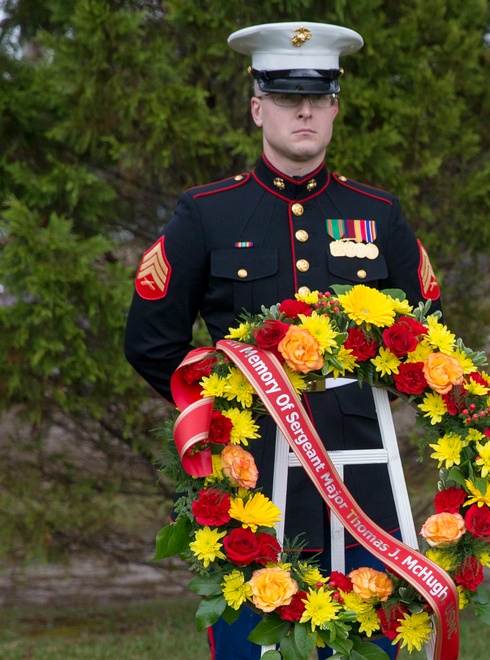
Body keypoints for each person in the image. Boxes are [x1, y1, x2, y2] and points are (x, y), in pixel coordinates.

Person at [124, 21, 441, 660]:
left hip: (362, 482)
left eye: (319, 97)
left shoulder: (379, 215)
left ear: (334, 108)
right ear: (256, 107)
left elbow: (425, 339)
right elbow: (151, 341)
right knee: (253, 647)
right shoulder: (207, 213)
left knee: (366, 646)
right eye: (288, 95)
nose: (304, 109)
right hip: (252, 484)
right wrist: (221, 416)